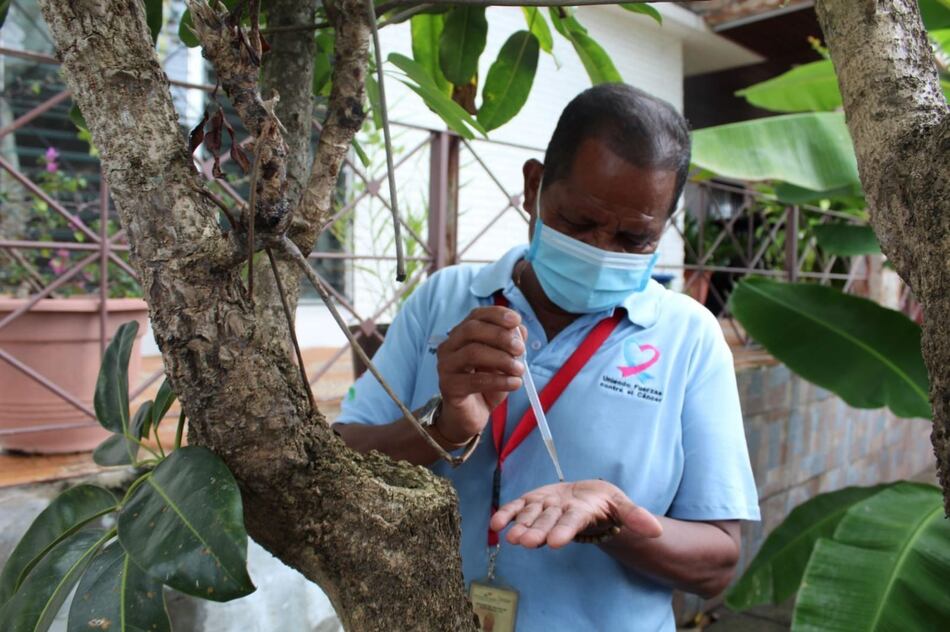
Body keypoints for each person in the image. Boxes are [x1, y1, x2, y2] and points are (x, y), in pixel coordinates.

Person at [334, 83, 759, 631]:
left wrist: (612, 519)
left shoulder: (689, 339)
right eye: (579, 223)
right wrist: (441, 428)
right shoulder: (445, 301)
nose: (601, 251)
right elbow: (340, 457)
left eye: (633, 238)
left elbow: (718, 562)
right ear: (534, 186)